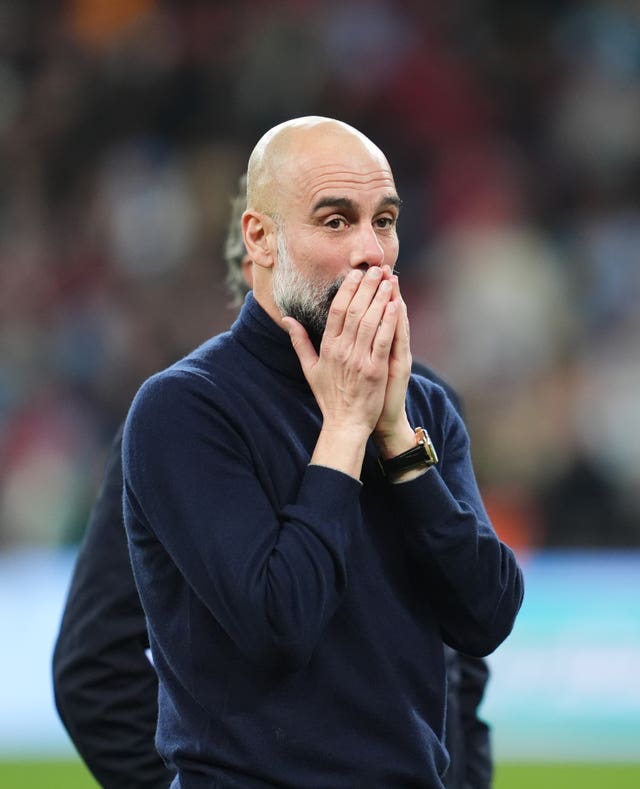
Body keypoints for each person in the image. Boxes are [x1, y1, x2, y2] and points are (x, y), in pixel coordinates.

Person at [52, 169, 493, 786]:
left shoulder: (422, 405)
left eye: (380, 223)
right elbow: (97, 670)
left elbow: (469, 644)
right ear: (258, 256)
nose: (361, 260)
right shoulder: (184, 420)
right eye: (332, 224)